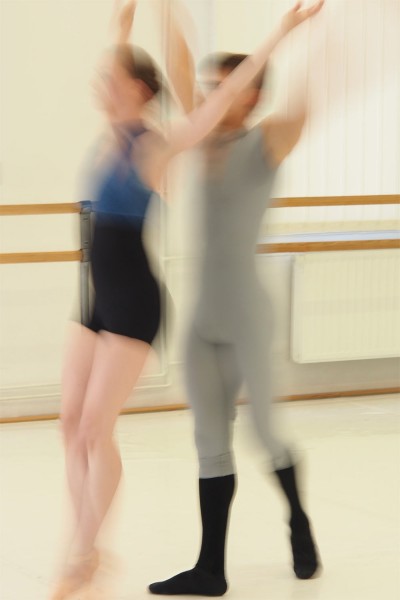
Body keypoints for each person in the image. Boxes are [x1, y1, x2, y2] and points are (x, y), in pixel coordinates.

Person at [51, 1, 323, 598]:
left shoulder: (183, 145)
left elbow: (228, 97)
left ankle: (91, 550)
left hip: (184, 306)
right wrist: (135, 18)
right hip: (142, 302)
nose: (102, 84)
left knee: (109, 429)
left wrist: (283, 31)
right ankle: (133, 552)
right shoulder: (144, 138)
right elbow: (129, 55)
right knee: (90, 424)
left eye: (114, 78)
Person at [148, 1, 325, 597]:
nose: (213, 97)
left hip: (249, 315)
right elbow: (176, 66)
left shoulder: (268, 142)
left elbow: (301, 105)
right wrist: (166, 8)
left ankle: (298, 521)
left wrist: (297, 37)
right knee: (208, 441)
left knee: (266, 434)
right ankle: (210, 569)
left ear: (250, 95)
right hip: (202, 319)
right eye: (210, 89)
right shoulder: (200, 141)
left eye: (228, 88)